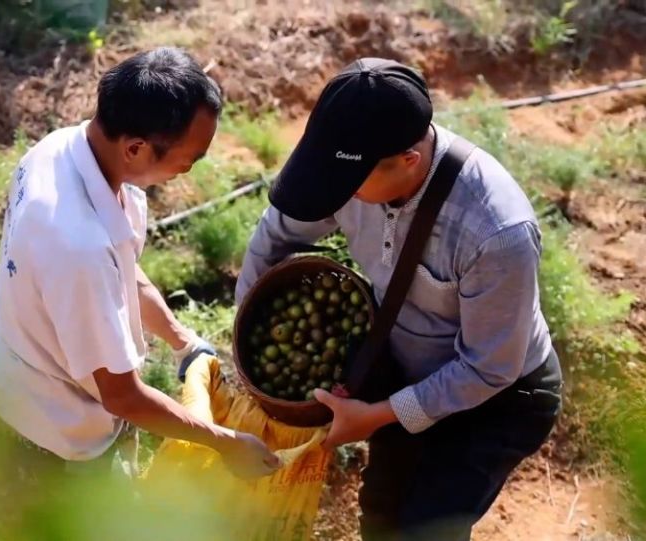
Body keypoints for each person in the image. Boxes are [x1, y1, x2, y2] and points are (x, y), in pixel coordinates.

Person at [236, 58, 563, 540]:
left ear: (408, 160)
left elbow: (489, 367)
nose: (335, 195)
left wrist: (379, 416)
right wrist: (245, 322)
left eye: (346, 185)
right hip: (407, 371)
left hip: (499, 397)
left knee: (423, 531)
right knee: (381, 519)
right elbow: (278, 231)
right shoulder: (350, 168)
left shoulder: (495, 232)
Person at [0, 47, 281, 483]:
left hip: (26, 379)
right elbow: (123, 397)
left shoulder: (64, 149)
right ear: (136, 148)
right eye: (189, 158)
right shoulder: (78, 247)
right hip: (52, 435)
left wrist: (182, 342)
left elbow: (123, 273)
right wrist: (225, 442)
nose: (189, 169)